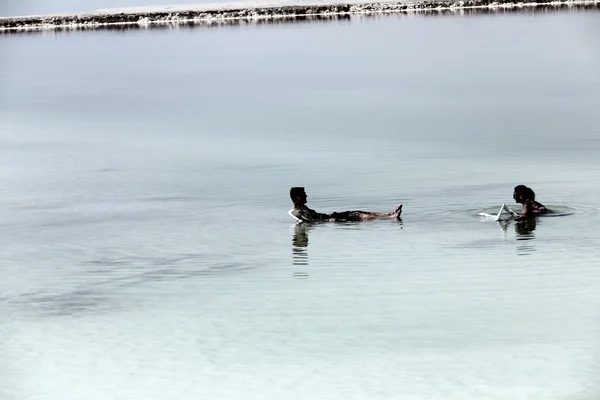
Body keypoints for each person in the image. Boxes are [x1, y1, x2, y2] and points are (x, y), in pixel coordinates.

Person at [290, 187, 402, 222]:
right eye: (304, 194)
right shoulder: (299, 211)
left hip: (330, 216)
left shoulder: (302, 208)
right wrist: (330, 220)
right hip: (330, 219)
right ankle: (391, 217)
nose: (307, 196)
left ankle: (389, 214)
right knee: (358, 215)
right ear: (298, 197)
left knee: (358, 212)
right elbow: (312, 221)